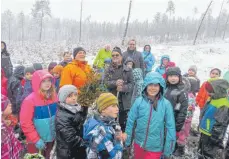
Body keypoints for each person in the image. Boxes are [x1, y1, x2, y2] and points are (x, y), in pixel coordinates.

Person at [124, 72, 176, 159]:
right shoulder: (139, 102)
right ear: (145, 86)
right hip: (139, 144)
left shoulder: (166, 104)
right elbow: (130, 122)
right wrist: (127, 142)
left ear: (160, 87)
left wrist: (168, 150)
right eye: (150, 85)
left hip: (155, 147)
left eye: (156, 85)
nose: (153, 88)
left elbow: (170, 128)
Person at [20, 70, 58, 158]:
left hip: (52, 137)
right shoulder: (29, 100)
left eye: (49, 80)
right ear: (37, 82)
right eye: (43, 81)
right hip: (37, 140)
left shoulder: (54, 96)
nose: (47, 83)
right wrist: (35, 139)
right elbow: (25, 123)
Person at [83, 93, 124, 159]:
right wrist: (118, 140)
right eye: (113, 106)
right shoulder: (101, 132)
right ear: (103, 109)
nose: (117, 109)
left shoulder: (106, 124)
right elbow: (115, 157)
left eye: (117, 106)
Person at [104, 47, 134, 131]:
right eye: (113, 55)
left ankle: (122, 141)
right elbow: (105, 82)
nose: (115, 56)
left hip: (124, 102)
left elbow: (132, 85)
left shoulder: (128, 70)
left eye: (117, 55)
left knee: (122, 123)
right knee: (111, 123)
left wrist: (123, 88)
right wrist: (115, 83)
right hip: (111, 100)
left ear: (121, 56)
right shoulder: (108, 70)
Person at [198, 79, 229, 159]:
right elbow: (205, 113)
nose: (208, 93)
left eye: (210, 91)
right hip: (205, 131)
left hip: (211, 135)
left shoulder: (223, 105)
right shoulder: (212, 98)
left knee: (208, 152)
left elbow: (220, 124)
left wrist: (214, 138)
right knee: (202, 149)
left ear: (218, 90)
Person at [55, 85, 87, 159]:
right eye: (69, 96)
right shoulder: (62, 116)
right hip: (68, 152)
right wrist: (86, 143)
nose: (74, 98)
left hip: (77, 149)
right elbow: (69, 137)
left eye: (75, 95)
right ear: (63, 98)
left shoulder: (76, 108)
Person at [164, 67, 189, 156]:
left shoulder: (181, 91)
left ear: (179, 77)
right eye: (170, 76)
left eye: (175, 76)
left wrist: (178, 125)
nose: (173, 78)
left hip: (173, 121)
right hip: (162, 120)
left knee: (170, 140)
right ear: (167, 77)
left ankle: (170, 152)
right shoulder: (165, 88)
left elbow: (183, 110)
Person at [1, 95, 23, 159]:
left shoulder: (8, 117)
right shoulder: (2, 133)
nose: (10, 104)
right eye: (7, 104)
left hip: (15, 151)